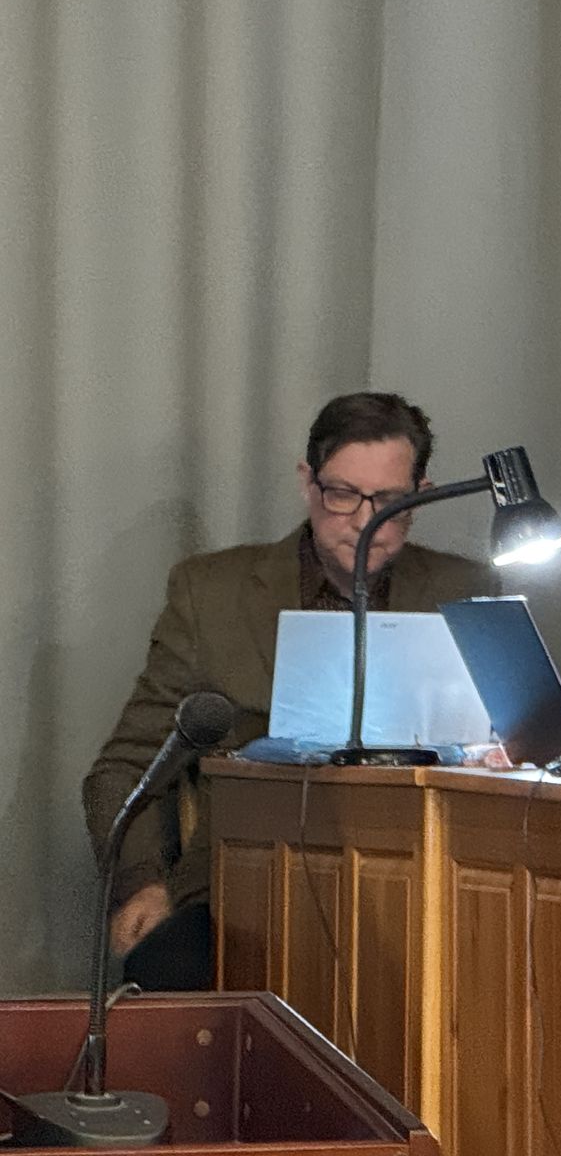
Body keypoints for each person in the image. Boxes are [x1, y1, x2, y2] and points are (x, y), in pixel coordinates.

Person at [82, 392, 497, 990]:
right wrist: (143, 883)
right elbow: (124, 768)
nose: (363, 521)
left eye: (389, 502)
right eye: (342, 494)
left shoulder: (467, 590)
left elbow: (517, 749)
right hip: (241, 888)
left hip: (421, 889)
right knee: (170, 968)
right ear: (308, 482)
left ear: (421, 494)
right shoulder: (213, 593)